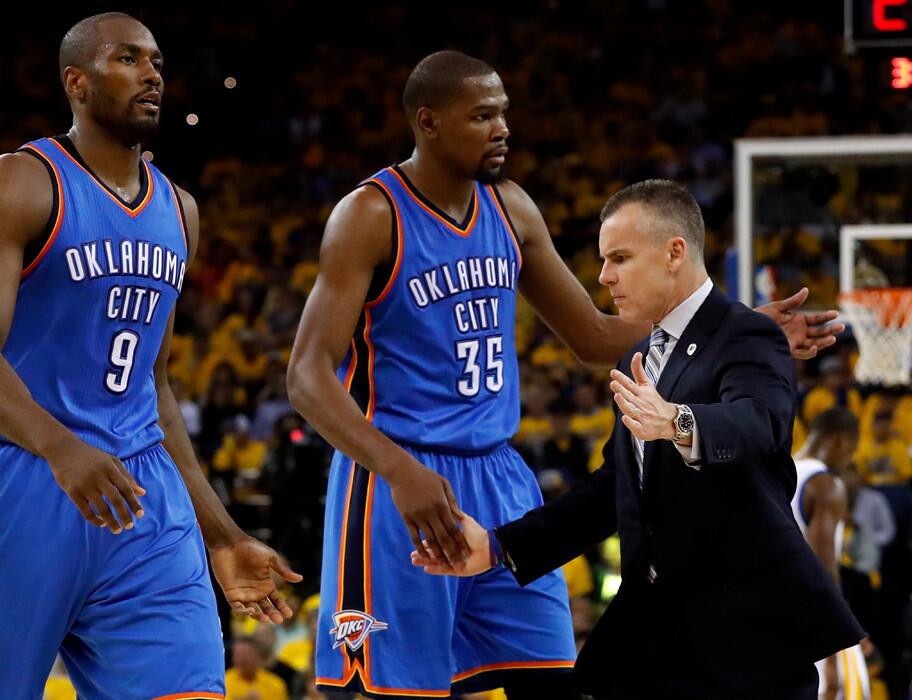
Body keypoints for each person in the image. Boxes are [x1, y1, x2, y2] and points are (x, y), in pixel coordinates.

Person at [287, 50, 841, 698]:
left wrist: (732, 328)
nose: (502, 129)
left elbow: (593, 336)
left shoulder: (512, 209)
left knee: (560, 683)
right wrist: (399, 470)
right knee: (390, 693)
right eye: (483, 115)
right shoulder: (370, 214)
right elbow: (306, 376)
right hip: (397, 476)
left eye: (504, 114)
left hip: (498, 475)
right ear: (428, 122)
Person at [0, 12, 299, 700]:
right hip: (20, 479)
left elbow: (155, 387)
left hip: (143, 499)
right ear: (77, 82)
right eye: (128, 59)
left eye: (158, 63)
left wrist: (221, 534)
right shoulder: (19, 181)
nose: (151, 73)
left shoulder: (181, 210)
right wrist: (60, 448)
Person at [414, 180, 864, 699]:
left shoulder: (747, 333)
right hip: (660, 638)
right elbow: (611, 492)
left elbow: (758, 422)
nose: (603, 276)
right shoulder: (649, 353)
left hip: (747, 642)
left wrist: (677, 421)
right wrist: (498, 547)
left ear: (675, 252)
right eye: (604, 260)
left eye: (619, 258)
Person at [793, 408, 871, 700]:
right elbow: (823, 572)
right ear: (841, 440)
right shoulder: (826, 487)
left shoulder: (779, 472)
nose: (850, 459)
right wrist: (836, 649)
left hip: (773, 618)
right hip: (817, 623)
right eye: (852, 449)